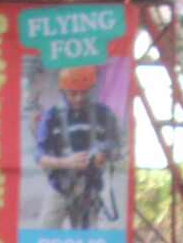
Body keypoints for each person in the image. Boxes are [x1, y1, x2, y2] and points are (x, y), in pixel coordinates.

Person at [34, 67, 125, 228]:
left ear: (91, 90)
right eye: (73, 93)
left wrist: (104, 154)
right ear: (63, 92)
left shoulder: (103, 114)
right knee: (45, 234)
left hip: (90, 190)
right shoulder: (52, 116)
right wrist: (67, 163)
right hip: (59, 188)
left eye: (84, 93)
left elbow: (117, 147)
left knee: (86, 241)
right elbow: (40, 157)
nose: (79, 98)